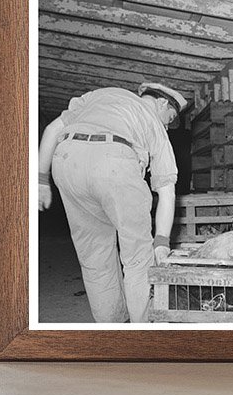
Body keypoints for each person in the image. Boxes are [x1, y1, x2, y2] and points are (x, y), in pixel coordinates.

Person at [37, 81, 188, 323]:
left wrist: (41, 180)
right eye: (169, 118)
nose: (167, 126)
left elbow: (52, 130)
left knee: (94, 256)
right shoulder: (153, 124)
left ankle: (112, 331)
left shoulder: (102, 95)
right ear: (161, 103)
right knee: (138, 258)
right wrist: (161, 241)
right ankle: (141, 337)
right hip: (115, 161)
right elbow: (167, 191)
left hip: (66, 160)